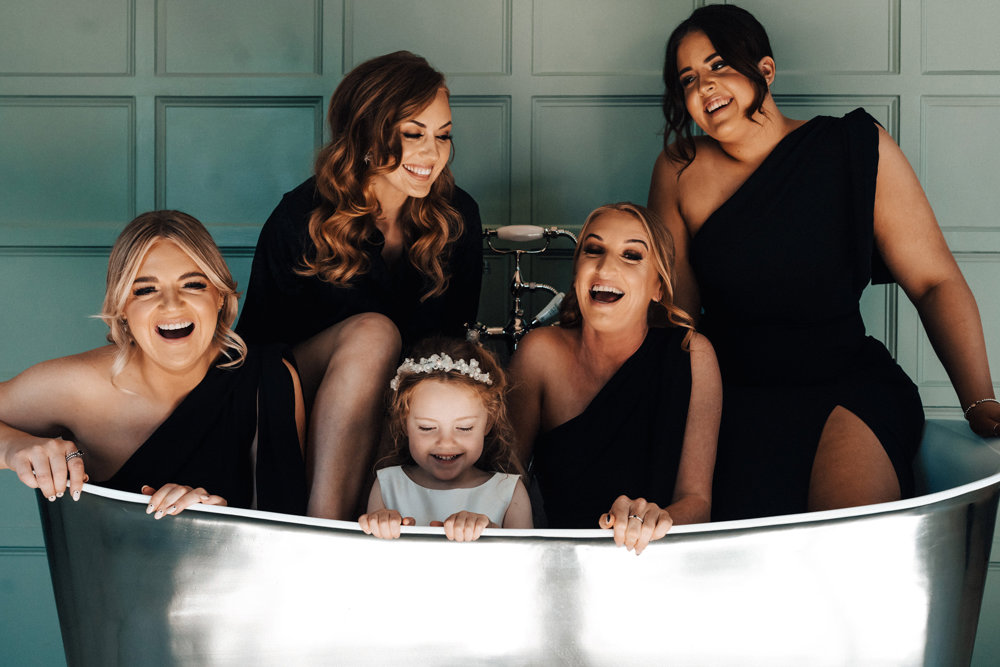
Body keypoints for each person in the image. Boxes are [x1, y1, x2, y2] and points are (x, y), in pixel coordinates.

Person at [648, 4, 999, 521]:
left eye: (718, 64)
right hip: (732, 398)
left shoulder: (852, 145)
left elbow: (933, 282)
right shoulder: (679, 168)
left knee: (846, 539)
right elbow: (679, 321)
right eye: (688, 79)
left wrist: (981, 402)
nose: (705, 86)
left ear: (765, 69)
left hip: (846, 385)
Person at [236, 51, 483, 520]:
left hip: (402, 400)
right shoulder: (302, 216)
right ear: (368, 133)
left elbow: (451, 343)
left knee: (424, 376)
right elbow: (256, 353)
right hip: (293, 397)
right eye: (413, 134)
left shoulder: (457, 215)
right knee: (375, 334)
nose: (432, 154)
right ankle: (324, 527)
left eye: (443, 135)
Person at [0, 211, 307, 517]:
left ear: (220, 296)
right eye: (146, 290)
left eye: (193, 284)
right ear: (121, 307)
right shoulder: (78, 386)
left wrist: (216, 520)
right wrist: (14, 446)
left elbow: (282, 526)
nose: (172, 304)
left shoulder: (269, 379)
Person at [509, 203, 721, 555]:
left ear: (658, 286)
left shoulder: (691, 354)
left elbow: (697, 502)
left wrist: (654, 523)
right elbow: (504, 481)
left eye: (632, 255)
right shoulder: (539, 353)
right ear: (577, 272)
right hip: (562, 560)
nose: (606, 267)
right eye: (594, 250)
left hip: (657, 559)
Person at [358, 338, 532, 541]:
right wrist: (380, 526)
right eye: (427, 428)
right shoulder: (388, 485)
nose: (446, 442)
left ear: (488, 422)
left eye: (464, 428)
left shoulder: (509, 492)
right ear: (404, 423)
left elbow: (529, 559)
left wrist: (490, 534)